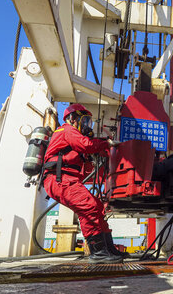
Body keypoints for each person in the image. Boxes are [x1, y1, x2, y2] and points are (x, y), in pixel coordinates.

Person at [43, 103, 122, 263]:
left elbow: (85, 155)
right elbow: (85, 145)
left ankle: (109, 249)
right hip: (60, 180)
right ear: (73, 118)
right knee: (89, 207)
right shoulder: (66, 129)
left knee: (97, 207)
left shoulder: (71, 136)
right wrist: (106, 143)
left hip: (66, 180)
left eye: (88, 122)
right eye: (84, 121)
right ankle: (98, 253)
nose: (87, 125)